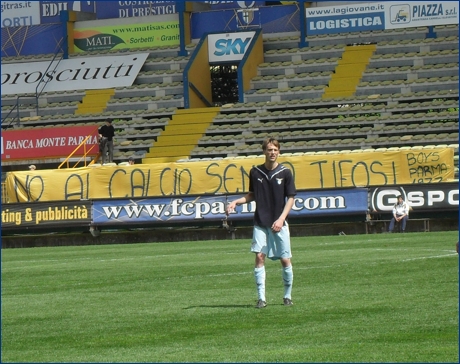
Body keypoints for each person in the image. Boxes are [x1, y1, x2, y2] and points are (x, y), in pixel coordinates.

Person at [226, 137, 296, 308]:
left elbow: (291, 198)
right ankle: (261, 298)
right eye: (269, 149)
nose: (272, 153)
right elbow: (252, 194)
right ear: (264, 151)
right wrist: (236, 202)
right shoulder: (255, 172)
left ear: (279, 152)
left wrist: (281, 219)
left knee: (285, 259)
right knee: (259, 257)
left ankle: (287, 296)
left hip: (279, 223)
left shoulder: (285, 172)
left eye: (275, 150)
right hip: (260, 222)